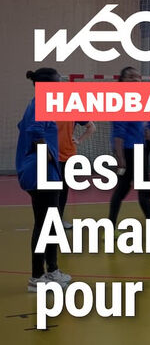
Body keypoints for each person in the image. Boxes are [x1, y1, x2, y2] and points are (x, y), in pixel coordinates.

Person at [17, 68, 72, 292]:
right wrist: (48, 156)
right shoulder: (41, 103)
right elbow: (34, 132)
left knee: (50, 224)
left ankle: (52, 270)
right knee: (45, 225)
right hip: (42, 171)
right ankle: (36, 277)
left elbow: (22, 126)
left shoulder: (37, 103)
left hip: (45, 170)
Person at [109, 67, 150, 233]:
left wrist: (145, 131)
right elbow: (118, 134)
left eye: (137, 76)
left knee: (123, 190)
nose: (135, 79)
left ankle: (110, 227)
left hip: (139, 150)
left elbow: (136, 124)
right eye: (130, 77)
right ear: (122, 80)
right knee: (143, 191)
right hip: (129, 153)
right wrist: (120, 158)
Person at [57, 119, 95, 229]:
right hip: (52, 156)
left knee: (63, 190)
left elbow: (91, 127)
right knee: (52, 190)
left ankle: (59, 220)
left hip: (68, 155)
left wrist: (79, 140)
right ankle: (50, 219)